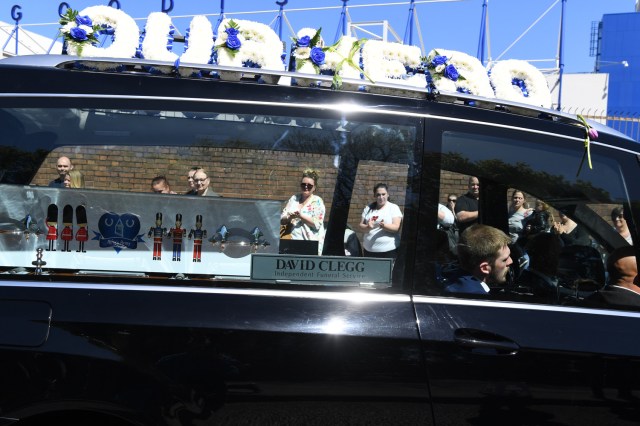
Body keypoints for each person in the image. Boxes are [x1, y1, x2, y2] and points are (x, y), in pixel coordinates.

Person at [444, 224, 513, 295]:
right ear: (484, 268)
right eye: (504, 260)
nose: (510, 261)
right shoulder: (477, 298)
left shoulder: (454, 279)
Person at [281, 169, 326, 255]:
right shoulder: (294, 198)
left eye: (309, 186)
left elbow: (317, 224)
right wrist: (290, 217)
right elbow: (282, 220)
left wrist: (300, 216)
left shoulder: (317, 201)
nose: (306, 187)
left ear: (314, 187)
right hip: (291, 241)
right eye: (303, 184)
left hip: (310, 243)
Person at [359, 183, 403, 259]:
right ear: (374, 196)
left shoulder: (393, 208)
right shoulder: (368, 208)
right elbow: (361, 226)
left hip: (388, 251)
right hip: (368, 251)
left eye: (383, 194)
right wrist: (368, 226)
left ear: (388, 195)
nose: (381, 197)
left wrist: (384, 226)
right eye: (378, 195)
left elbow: (396, 228)